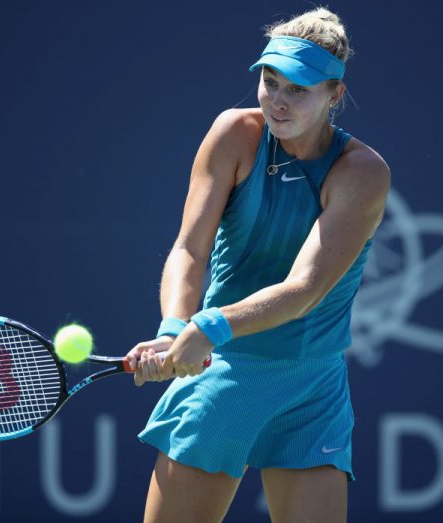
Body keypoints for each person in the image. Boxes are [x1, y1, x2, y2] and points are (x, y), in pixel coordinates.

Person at [125, 7, 390, 523]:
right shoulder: (234, 134)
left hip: (314, 386)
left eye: (299, 89)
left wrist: (208, 325)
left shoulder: (362, 173)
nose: (278, 100)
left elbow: (305, 289)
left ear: (335, 95)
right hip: (223, 369)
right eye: (271, 83)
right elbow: (189, 249)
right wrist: (174, 327)